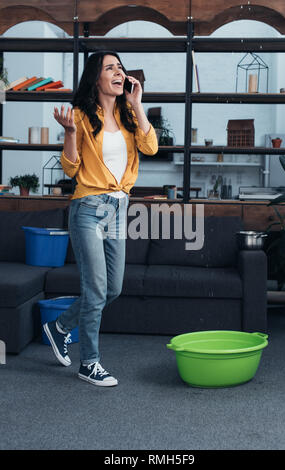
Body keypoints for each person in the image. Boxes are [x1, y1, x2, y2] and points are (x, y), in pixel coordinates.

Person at [43, 51, 158, 387]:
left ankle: (60, 326)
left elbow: (151, 148)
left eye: (120, 67)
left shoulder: (128, 117)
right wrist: (68, 132)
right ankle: (89, 362)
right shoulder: (79, 115)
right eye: (110, 68)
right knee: (95, 288)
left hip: (118, 209)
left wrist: (137, 104)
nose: (118, 72)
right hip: (89, 207)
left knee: (114, 289)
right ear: (96, 78)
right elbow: (70, 169)